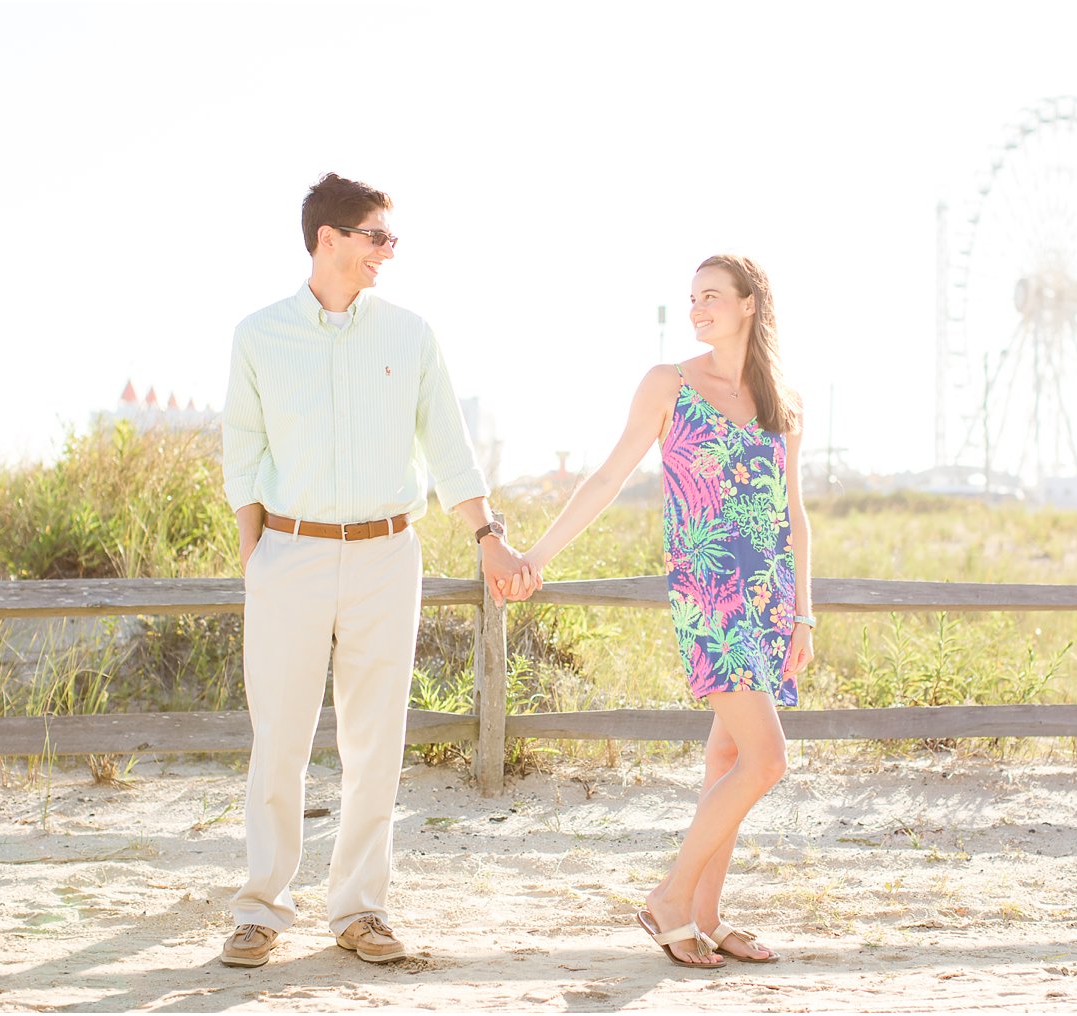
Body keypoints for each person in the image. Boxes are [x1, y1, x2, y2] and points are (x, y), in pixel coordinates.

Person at [219, 172, 538, 968]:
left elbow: (450, 447)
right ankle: (261, 908)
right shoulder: (258, 335)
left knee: (374, 744)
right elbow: (242, 454)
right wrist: (256, 557)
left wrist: (488, 535)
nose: (389, 252)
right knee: (279, 741)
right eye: (377, 236)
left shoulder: (410, 333)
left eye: (390, 238)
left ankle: (360, 910)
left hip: (386, 558)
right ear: (328, 239)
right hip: (287, 558)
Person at [518, 254, 814, 969]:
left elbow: (795, 513)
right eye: (692, 299)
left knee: (732, 754)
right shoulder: (669, 384)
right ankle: (670, 898)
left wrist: (804, 613)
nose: (697, 309)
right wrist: (540, 555)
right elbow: (610, 474)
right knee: (767, 760)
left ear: (749, 304)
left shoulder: (782, 399)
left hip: (769, 597)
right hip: (710, 597)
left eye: (711, 297)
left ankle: (707, 917)